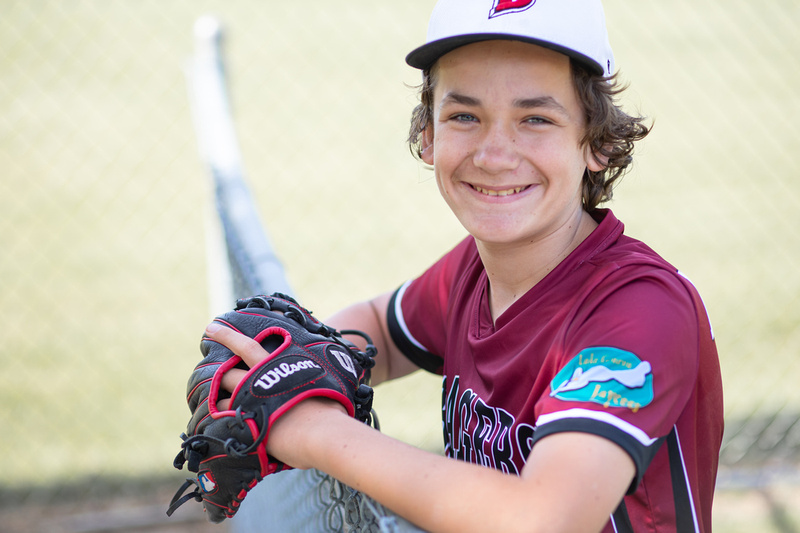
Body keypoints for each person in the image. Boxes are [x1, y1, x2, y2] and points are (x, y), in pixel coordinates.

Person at [208, 0, 724, 531]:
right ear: (428, 135)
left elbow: (543, 519)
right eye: (464, 116)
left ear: (596, 140)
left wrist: (315, 433)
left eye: (536, 119)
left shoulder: (639, 312)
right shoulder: (473, 273)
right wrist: (287, 369)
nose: (494, 154)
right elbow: (381, 329)